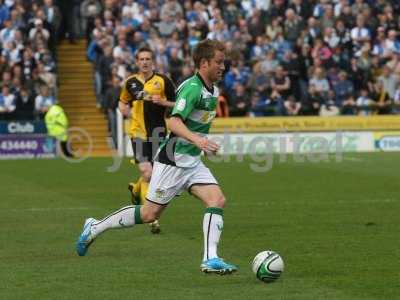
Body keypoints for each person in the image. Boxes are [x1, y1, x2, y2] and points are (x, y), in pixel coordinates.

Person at [76, 39, 238, 275]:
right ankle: (95, 227)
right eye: (218, 62)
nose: (223, 67)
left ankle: (210, 258)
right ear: (204, 63)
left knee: (217, 200)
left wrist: (198, 143)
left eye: (223, 62)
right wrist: (198, 140)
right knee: (149, 213)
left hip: (191, 161)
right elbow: (173, 120)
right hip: (173, 159)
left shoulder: (212, 89)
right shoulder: (192, 87)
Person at [119, 46, 176, 234]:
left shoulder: (163, 81)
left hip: (158, 133)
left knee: (153, 175)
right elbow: (124, 100)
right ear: (137, 62)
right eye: (141, 59)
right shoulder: (130, 82)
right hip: (138, 132)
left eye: (148, 59)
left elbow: (178, 103)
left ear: (153, 61)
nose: (144, 62)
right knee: (148, 173)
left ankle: (136, 191)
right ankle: (153, 220)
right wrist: (123, 109)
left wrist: (164, 103)